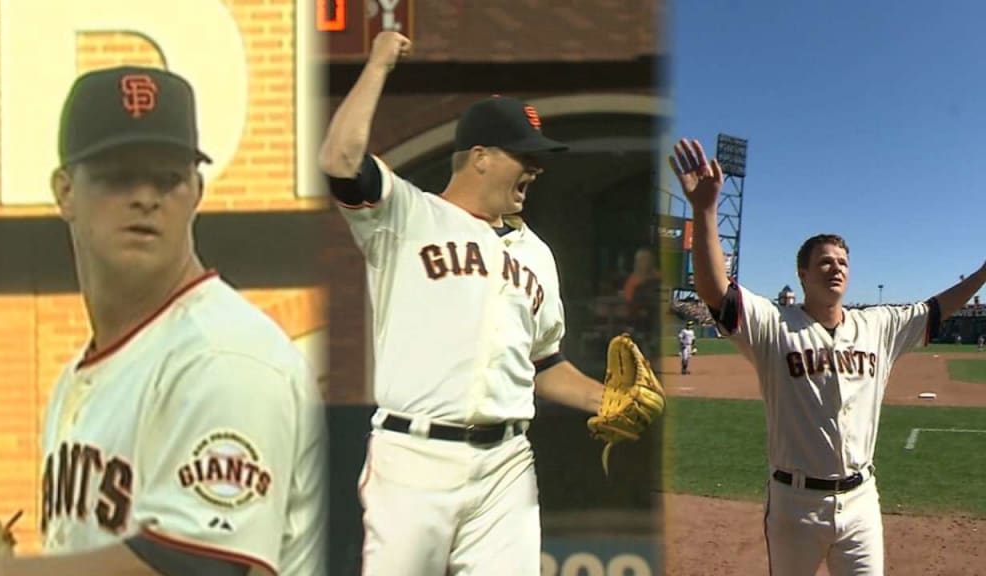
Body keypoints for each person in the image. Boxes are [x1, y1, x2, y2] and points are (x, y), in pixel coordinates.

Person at [0, 65, 327, 576]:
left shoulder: (224, 357)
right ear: (65, 191)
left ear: (196, 191)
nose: (145, 196)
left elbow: (198, 569)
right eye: (118, 176)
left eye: (168, 178)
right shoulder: (81, 376)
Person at [319, 32, 606, 575]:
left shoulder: (537, 254)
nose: (536, 168)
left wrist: (605, 398)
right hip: (413, 459)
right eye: (525, 155)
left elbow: (544, 364)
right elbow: (339, 158)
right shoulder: (405, 215)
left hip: (507, 464)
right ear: (480, 157)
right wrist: (378, 63)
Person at [669, 138, 986, 576]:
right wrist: (705, 210)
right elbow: (715, 291)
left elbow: (935, 309)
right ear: (802, 274)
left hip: (861, 502)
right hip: (795, 505)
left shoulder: (878, 325)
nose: (835, 267)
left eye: (842, 261)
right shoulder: (772, 324)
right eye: (824, 261)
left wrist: (984, 271)